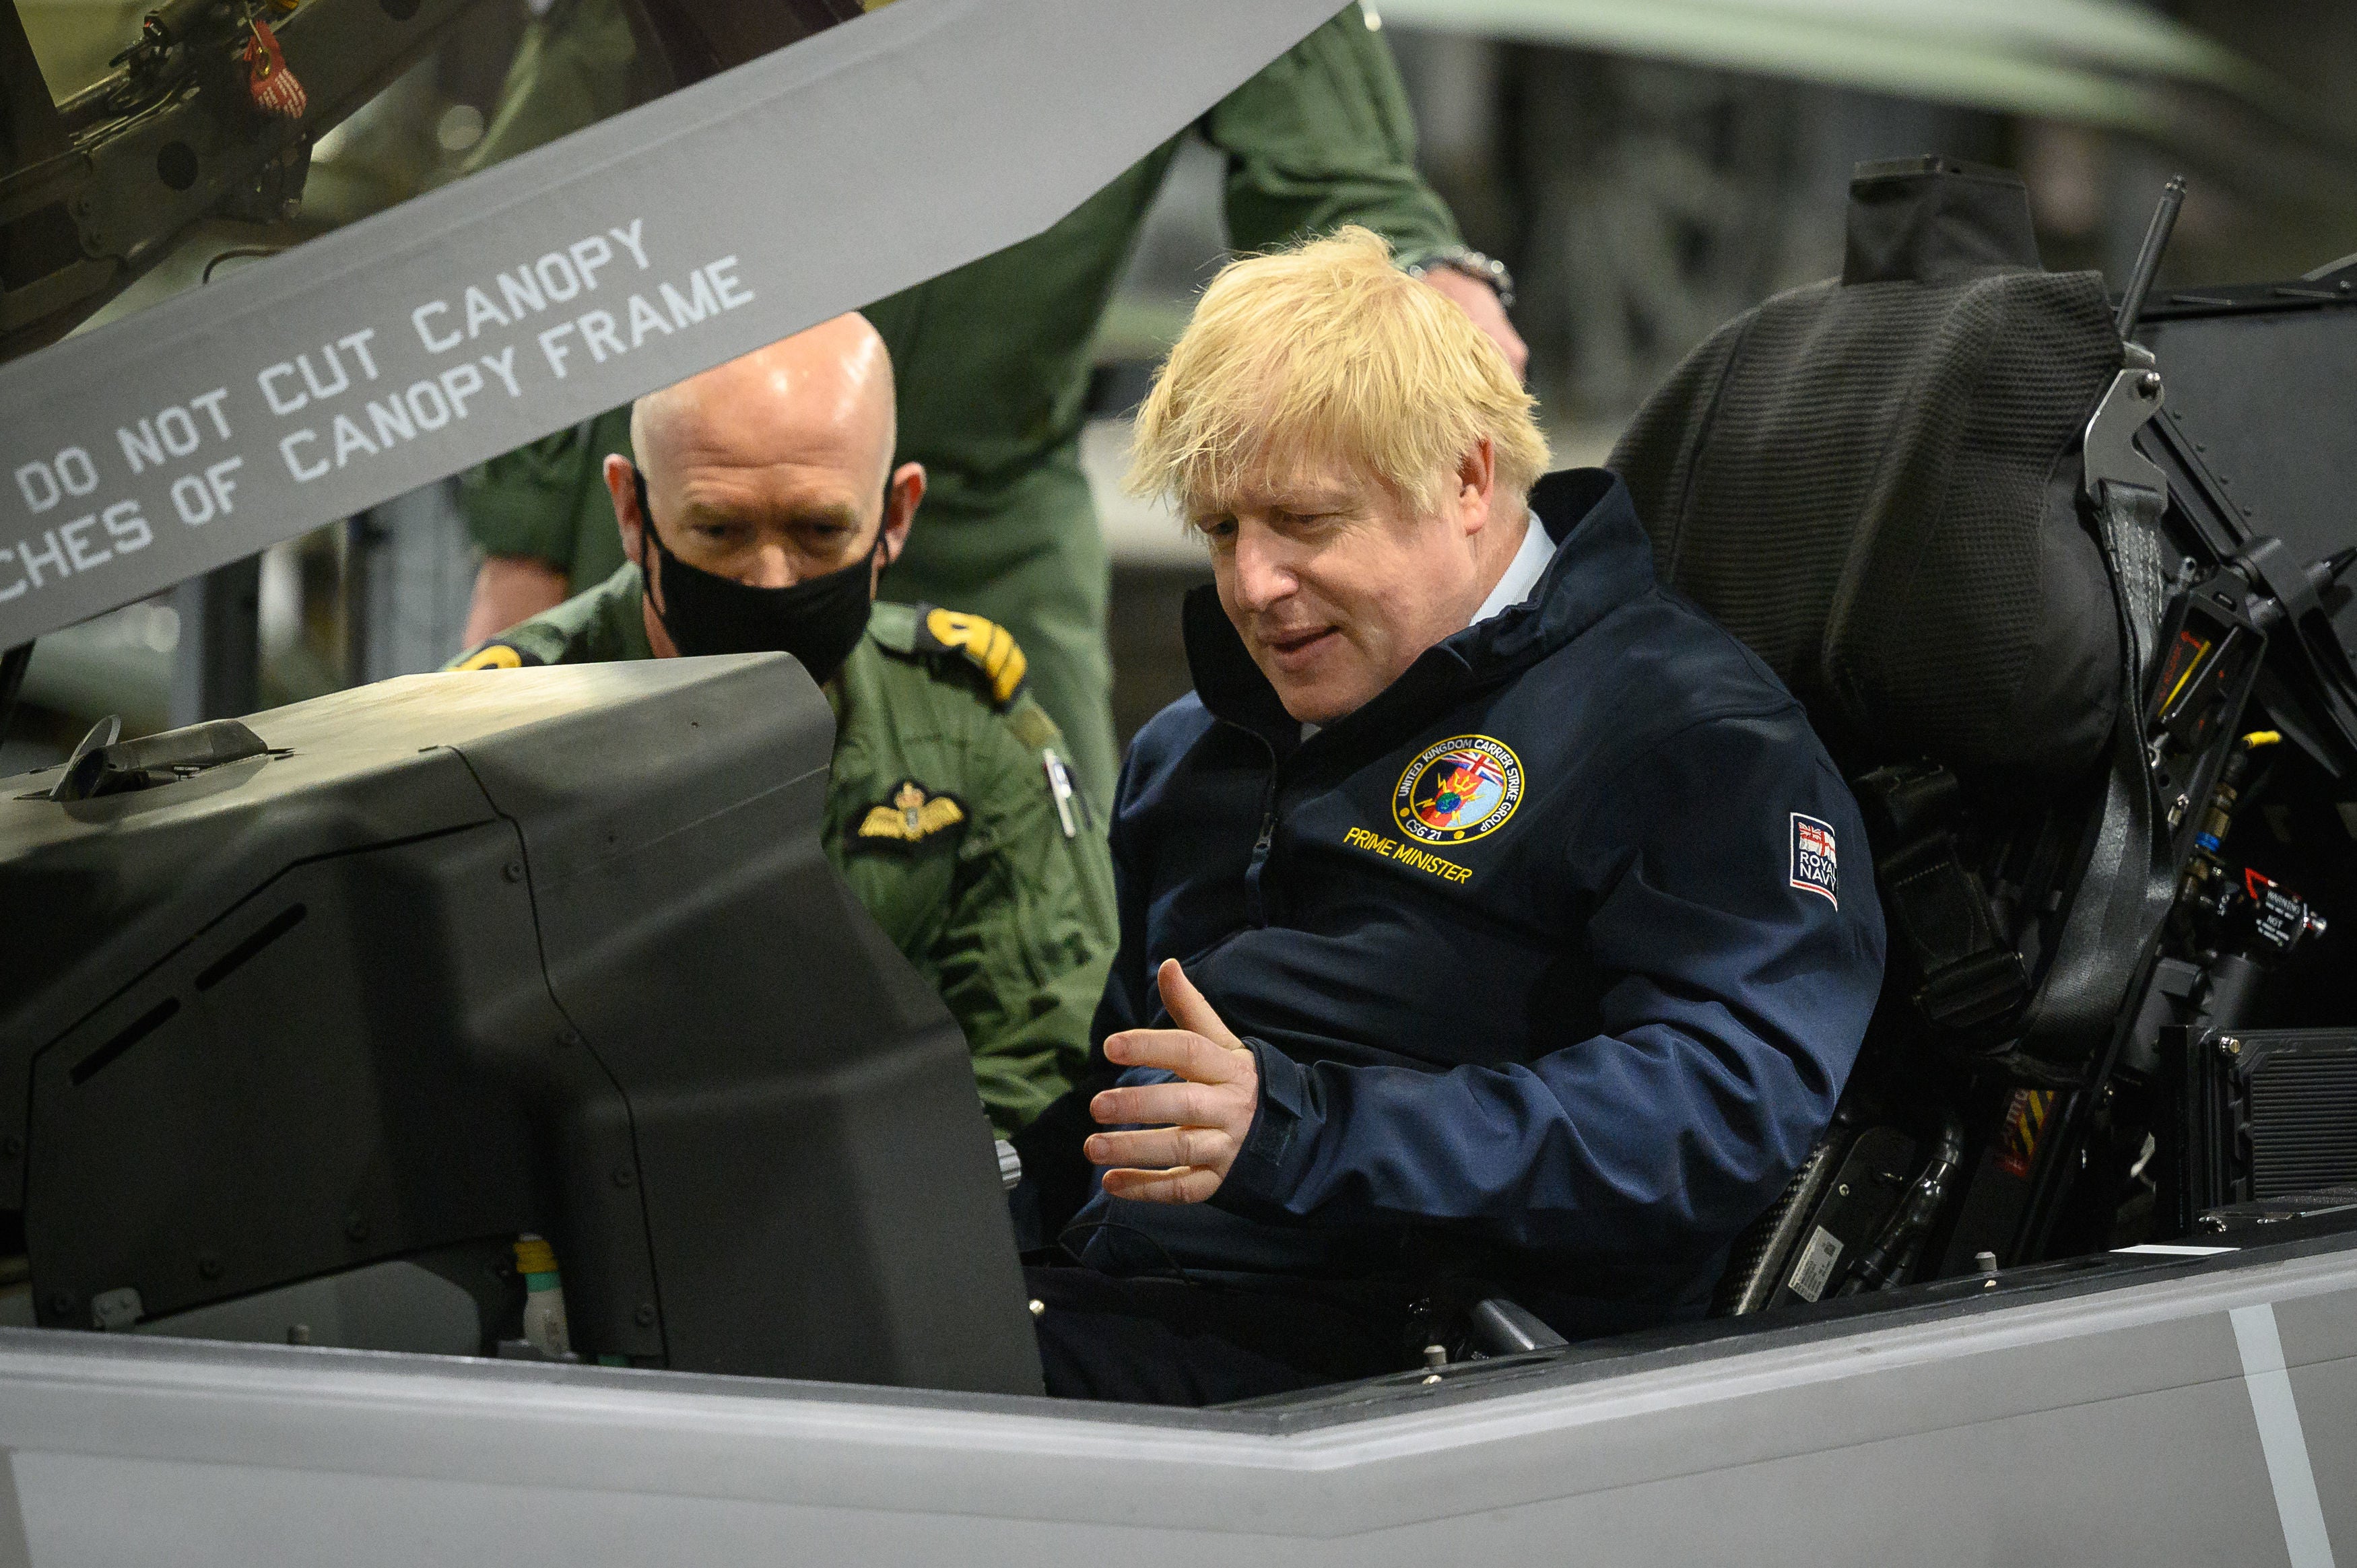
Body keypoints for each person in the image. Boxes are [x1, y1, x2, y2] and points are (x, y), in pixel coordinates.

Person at [1021, 229, 1886, 1406]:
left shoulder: (1688, 729)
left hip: (1412, 1373)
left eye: (1306, 520)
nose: (1253, 585)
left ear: (1467, 481)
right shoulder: (1195, 747)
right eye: (1224, 529)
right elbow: (1122, 1105)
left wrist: (1306, 1127)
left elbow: (1728, 1102)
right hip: (1125, 1305)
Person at [453, 1, 1527, 814]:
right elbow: (534, 221)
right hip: (707, 509)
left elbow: (1334, 169)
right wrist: (524, 542)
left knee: (1067, 909)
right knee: (603, 874)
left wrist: (1430, 280)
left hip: (988, 506)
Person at [448, 316, 1115, 1143]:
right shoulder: (493, 745)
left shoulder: (965, 725)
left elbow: (1045, 1056)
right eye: (720, 531)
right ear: (631, 509)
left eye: (818, 531)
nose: (769, 580)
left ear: (896, 513)